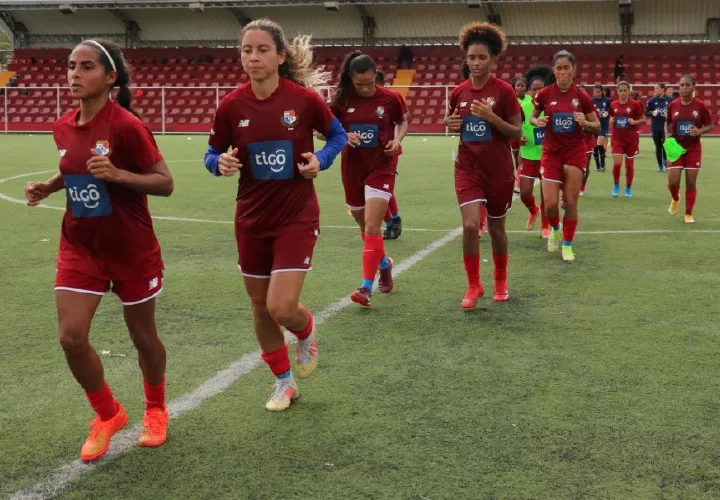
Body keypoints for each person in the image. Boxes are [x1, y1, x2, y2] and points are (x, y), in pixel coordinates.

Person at [23, 39, 174, 462]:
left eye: (86, 66)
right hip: (80, 245)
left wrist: (120, 174)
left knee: (143, 337)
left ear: (110, 77)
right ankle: (108, 414)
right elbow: (73, 165)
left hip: (131, 248)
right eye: (71, 65)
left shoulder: (126, 126)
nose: (74, 73)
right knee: (71, 338)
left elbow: (164, 182)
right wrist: (48, 186)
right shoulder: (62, 126)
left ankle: (156, 409)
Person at [204, 20, 346, 411]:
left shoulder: (302, 100)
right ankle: (283, 382)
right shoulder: (230, 106)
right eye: (247, 50)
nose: (253, 57)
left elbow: (337, 136)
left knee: (280, 307)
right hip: (251, 217)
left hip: (296, 215)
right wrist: (221, 163)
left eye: (263, 49)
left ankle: (306, 328)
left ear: (281, 56)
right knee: (258, 305)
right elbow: (210, 154)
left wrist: (322, 159)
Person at [445, 22, 521, 307]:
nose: (475, 63)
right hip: (467, 167)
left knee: (497, 230)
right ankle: (473, 285)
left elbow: (516, 133)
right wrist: (451, 124)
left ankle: (500, 280)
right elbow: (455, 123)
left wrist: (492, 117)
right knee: (469, 224)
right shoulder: (458, 93)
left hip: (499, 171)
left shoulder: (503, 92)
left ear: (493, 60)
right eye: (471, 57)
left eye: (481, 58)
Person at [330, 52, 408, 307]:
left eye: (369, 82)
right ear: (350, 79)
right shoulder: (341, 99)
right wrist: (343, 137)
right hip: (352, 169)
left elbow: (402, 121)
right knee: (365, 230)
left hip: (381, 167)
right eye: (359, 84)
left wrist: (397, 139)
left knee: (374, 227)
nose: (365, 88)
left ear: (375, 75)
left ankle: (365, 287)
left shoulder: (390, 98)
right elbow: (323, 131)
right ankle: (384, 264)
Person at [531, 50, 600, 262]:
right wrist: (537, 122)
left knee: (570, 202)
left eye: (566, 68)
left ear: (574, 70)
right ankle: (555, 228)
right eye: (559, 68)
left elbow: (597, 125)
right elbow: (533, 117)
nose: (563, 72)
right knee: (550, 205)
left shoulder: (581, 96)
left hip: (574, 152)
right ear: (554, 70)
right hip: (551, 152)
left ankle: (568, 245)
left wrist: (585, 123)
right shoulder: (543, 95)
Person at [665, 74, 713, 223]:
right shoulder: (673, 105)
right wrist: (668, 133)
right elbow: (669, 122)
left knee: (691, 182)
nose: (683, 88)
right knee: (673, 182)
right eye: (681, 85)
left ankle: (688, 213)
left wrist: (699, 131)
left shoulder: (700, 106)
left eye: (687, 85)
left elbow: (710, 125)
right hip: (676, 148)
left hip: (693, 148)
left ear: (693, 87)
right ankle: (675, 198)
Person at [517, 66, 550, 238]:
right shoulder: (523, 107)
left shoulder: (550, 106)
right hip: (528, 155)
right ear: (529, 91)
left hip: (547, 157)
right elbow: (517, 127)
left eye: (541, 88)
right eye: (534, 89)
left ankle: (545, 227)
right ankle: (533, 210)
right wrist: (519, 137)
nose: (538, 92)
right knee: (524, 193)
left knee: (546, 193)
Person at [376, 70, 406, 241]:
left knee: (382, 188)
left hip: (387, 150)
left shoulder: (391, 98)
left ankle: (392, 221)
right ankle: (392, 219)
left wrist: (396, 140)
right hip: (363, 153)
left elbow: (404, 118)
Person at [608, 81, 644, 198]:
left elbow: (643, 119)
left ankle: (628, 187)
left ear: (629, 91)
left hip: (631, 139)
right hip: (617, 139)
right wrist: (611, 121)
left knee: (629, 166)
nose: (623, 93)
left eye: (625, 90)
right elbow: (611, 118)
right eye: (620, 91)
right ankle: (616, 184)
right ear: (617, 92)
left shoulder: (635, 104)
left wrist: (635, 122)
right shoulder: (613, 105)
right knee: (617, 164)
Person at [645, 82, 673, 172]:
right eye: (655, 89)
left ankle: (665, 160)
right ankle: (660, 165)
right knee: (658, 146)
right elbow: (646, 112)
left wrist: (668, 115)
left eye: (657, 88)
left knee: (665, 144)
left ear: (663, 89)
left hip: (665, 127)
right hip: (655, 126)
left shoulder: (670, 100)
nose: (655, 90)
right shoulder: (651, 101)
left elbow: (674, 112)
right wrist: (652, 113)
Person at [510, 76, 529, 196]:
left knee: (521, 159)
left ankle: (519, 186)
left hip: (526, 134)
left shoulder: (530, 99)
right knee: (516, 158)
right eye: (518, 85)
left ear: (526, 88)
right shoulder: (511, 100)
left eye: (522, 85)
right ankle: (520, 179)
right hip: (514, 133)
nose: (520, 87)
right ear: (514, 87)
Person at [591, 83, 610, 172]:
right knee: (594, 146)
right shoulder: (591, 101)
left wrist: (608, 114)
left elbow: (613, 111)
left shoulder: (607, 100)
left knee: (599, 145)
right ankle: (598, 165)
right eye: (595, 92)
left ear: (602, 92)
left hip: (603, 126)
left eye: (599, 92)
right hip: (594, 126)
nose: (597, 93)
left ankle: (602, 163)